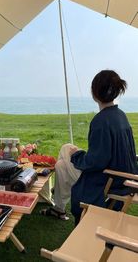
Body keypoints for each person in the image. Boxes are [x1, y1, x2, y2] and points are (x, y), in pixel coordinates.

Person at [41, 70, 138, 224]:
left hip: (108, 180)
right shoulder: (121, 115)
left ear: (94, 93)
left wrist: (76, 156)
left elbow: (96, 162)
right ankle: (58, 208)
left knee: (66, 151)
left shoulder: (101, 121)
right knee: (61, 165)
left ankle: (59, 205)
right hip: (124, 175)